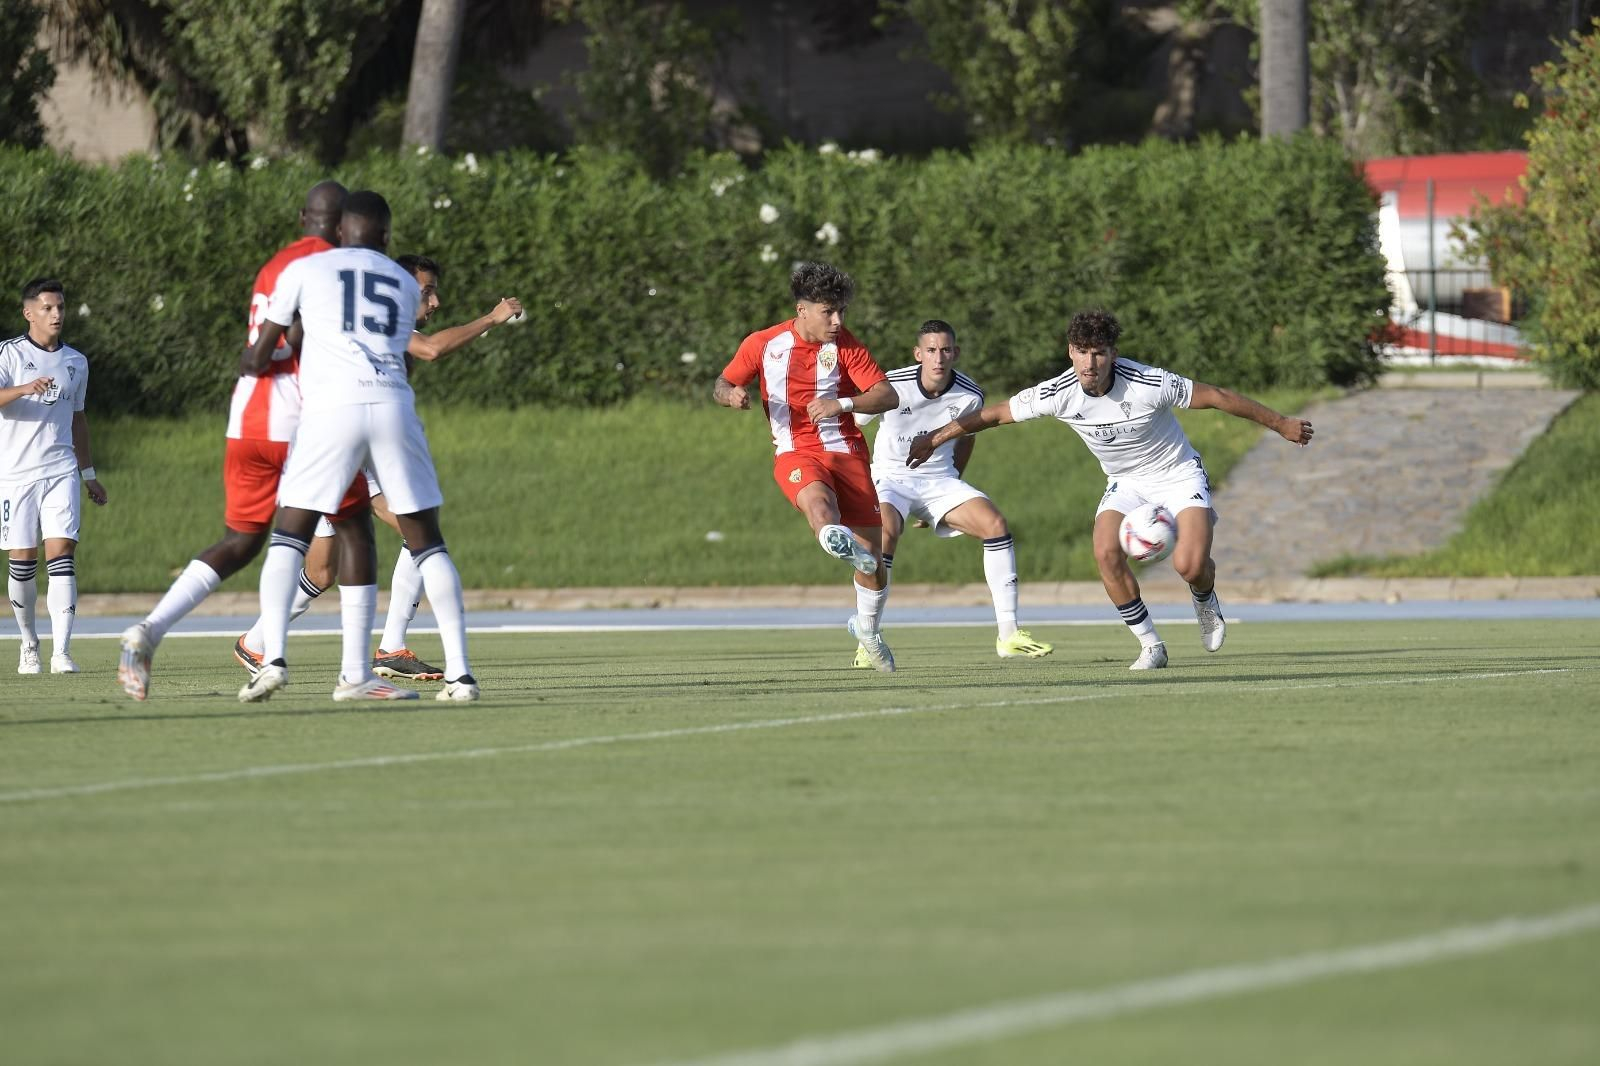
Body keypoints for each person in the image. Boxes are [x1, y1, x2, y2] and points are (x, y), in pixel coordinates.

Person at [908, 309, 1313, 670]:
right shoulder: (1057, 393)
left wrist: (1280, 424)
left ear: (1113, 354)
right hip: (1127, 485)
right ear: (1071, 352)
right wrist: (935, 439)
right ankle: (1150, 644)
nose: (1090, 362)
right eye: (1082, 352)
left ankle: (1205, 600)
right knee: (1104, 552)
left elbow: (1219, 398)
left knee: (1189, 566)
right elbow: (994, 415)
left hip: (1178, 475)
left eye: (1099, 352)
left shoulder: (1148, 382)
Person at [116, 181, 375, 701]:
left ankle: (151, 629)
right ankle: (354, 674)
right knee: (353, 530)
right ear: (344, 221)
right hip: (307, 420)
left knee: (243, 540)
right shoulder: (338, 267)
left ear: (304, 216)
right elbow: (307, 337)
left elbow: (256, 351)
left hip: (248, 419)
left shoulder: (274, 265)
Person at [233, 254, 523, 683]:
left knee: (322, 571)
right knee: (416, 529)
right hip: (333, 443)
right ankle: (386, 649)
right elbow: (431, 349)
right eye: (427, 290)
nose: (436, 300)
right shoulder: (377, 319)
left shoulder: (375, 317)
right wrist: (491, 318)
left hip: (345, 444)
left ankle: (257, 643)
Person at [715, 262, 901, 670]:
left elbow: (887, 396)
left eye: (841, 312)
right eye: (828, 312)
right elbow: (723, 383)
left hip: (849, 454)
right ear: (802, 310)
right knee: (820, 508)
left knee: (873, 558)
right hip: (795, 452)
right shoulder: (764, 344)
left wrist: (843, 403)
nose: (837, 321)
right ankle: (833, 535)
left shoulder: (846, 347)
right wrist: (731, 396)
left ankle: (868, 631)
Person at [854, 320, 1053, 665]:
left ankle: (1009, 635)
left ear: (955, 353)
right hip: (890, 479)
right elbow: (853, 428)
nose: (938, 357)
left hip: (939, 482)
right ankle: (867, 640)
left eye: (946, 350)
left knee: (995, 524)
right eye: (930, 350)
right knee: (886, 533)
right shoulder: (890, 386)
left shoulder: (969, 394)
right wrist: (863, 483)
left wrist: (946, 497)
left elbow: (967, 437)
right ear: (918, 354)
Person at [0, 278, 108, 675]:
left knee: (61, 557)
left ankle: (62, 652)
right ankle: (29, 644)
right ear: (29, 313)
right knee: (23, 561)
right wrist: (24, 388)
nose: (57, 314)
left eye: (60, 307)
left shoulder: (76, 362)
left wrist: (88, 473)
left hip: (60, 470)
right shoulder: (8, 354)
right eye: (47, 308)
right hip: (15, 474)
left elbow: (78, 418)